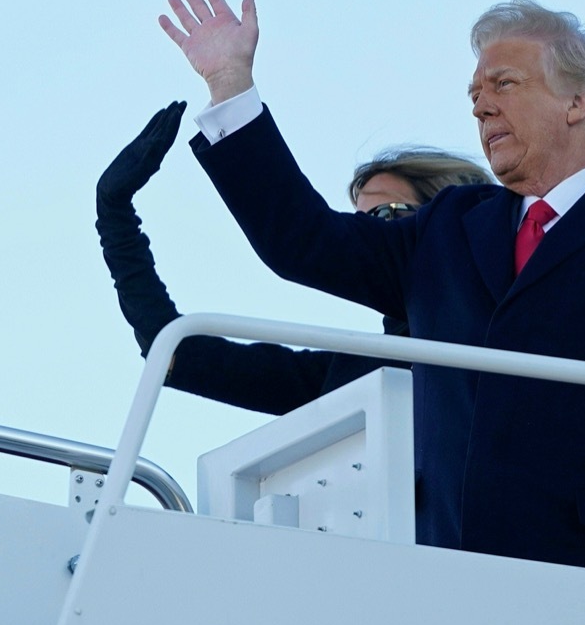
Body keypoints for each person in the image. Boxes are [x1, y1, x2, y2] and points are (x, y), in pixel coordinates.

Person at [158, 0, 585, 592]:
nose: (481, 106)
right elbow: (304, 242)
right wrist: (230, 86)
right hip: (456, 592)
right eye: (475, 93)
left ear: (579, 100)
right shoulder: (447, 228)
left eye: (503, 84)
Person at [95, 98, 491, 414]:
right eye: (359, 222)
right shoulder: (351, 374)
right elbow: (173, 350)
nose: (371, 233)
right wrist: (114, 216)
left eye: (386, 215)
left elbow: (300, 235)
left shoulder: (507, 315)